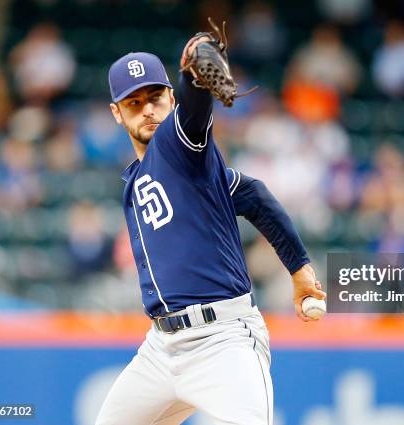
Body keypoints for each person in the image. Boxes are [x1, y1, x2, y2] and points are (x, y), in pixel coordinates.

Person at [95, 31, 326, 425]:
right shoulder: (146, 176)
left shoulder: (177, 142)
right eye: (134, 103)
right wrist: (300, 269)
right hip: (161, 349)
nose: (148, 110)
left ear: (170, 97)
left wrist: (195, 74)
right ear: (117, 113)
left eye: (155, 97)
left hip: (223, 340)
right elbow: (253, 194)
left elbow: (194, 106)